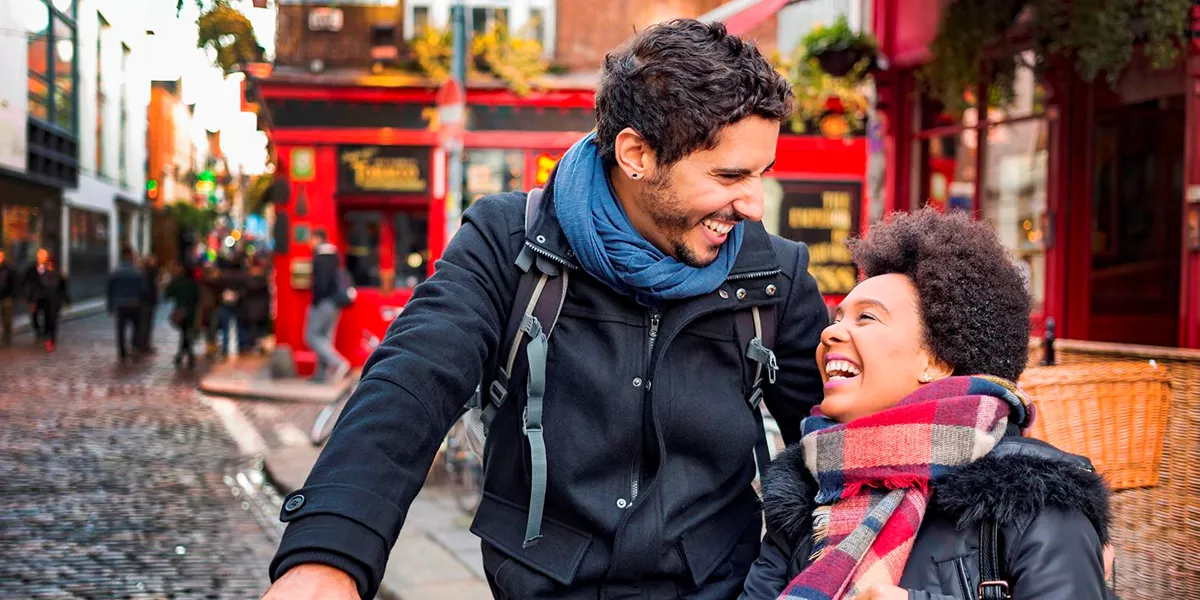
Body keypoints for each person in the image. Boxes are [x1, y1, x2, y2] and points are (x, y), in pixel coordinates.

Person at [263, 20, 825, 600]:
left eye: (762, 173)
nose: (755, 205)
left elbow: (841, 442)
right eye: (729, 175)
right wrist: (328, 556)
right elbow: (410, 380)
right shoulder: (509, 240)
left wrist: (790, 579)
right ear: (636, 154)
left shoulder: (774, 274)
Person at [741, 209, 1112, 600]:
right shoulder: (807, 492)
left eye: (866, 318)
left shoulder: (1033, 500)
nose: (831, 331)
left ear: (936, 361)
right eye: (837, 317)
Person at [304, 230, 352, 383]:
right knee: (325, 338)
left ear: (317, 238)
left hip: (324, 302)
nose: (308, 242)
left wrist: (316, 301)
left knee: (311, 336)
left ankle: (339, 363)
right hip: (335, 302)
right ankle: (320, 375)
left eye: (310, 239)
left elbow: (321, 283)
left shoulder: (320, 257)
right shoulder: (334, 256)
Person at [108, 247, 148, 361]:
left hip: (120, 304)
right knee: (136, 327)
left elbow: (110, 290)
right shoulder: (137, 272)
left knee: (121, 328)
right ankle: (134, 346)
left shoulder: (116, 272)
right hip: (134, 303)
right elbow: (143, 289)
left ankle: (122, 352)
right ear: (131, 256)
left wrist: (111, 306)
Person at [25, 251, 69, 353]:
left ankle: (51, 340)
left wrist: (66, 300)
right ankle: (43, 335)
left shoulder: (56, 272)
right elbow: (32, 285)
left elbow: (62, 286)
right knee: (40, 317)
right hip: (41, 299)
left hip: (54, 300)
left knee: (52, 320)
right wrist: (31, 299)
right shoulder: (36, 270)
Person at [163, 264, 201, 369]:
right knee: (185, 333)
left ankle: (184, 355)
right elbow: (197, 297)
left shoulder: (178, 282)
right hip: (191, 312)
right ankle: (187, 355)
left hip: (181, 311)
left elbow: (167, 294)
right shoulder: (193, 283)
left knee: (184, 333)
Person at [238, 259, 271, 355]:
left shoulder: (249, 281)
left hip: (252, 312)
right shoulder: (264, 280)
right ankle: (257, 347)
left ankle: (251, 347)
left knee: (252, 332)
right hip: (260, 312)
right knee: (258, 332)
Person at [136, 254, 161, 352]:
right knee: (145, 324)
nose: (155, 262)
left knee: (147, 324)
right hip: (147, 301)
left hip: (149, 301)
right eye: (152, 260)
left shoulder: (148, 272)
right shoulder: (148, 272)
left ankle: (144, 344)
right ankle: (143, 345)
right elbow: (148, 288)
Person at [0, 248, 16, 347]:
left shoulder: (9, 268)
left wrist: (11, 295)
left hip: (6, 297)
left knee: (7, 318)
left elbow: (14, 283)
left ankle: (7, 337)